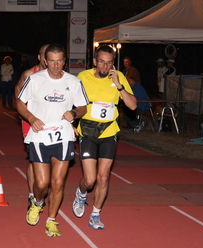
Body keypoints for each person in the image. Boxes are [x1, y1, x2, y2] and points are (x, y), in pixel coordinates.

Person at [17, 44, 88, 237]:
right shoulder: (34, 79)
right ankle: (37, 202)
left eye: (59, 61)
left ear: (64, 61)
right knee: (41, 183)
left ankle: (52, 220)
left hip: (63, 136)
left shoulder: (73, 82)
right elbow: (20, 103)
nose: (56, 65)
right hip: (40, 135)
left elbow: (83, 106)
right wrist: (31, 119)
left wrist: (74, 113)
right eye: (52, 61)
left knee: (57, 183)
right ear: (44, 61)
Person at [73, 45, 137, 230]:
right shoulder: (83, 77)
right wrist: (71, 124)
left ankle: (95, 214)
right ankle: (81, 193)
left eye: (109, 63)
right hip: (87, 131)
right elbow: (71, 102)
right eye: (101, 61)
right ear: (95, 61)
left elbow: (132, 106)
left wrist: (119, 85)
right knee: (90, 180)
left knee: (103, 178)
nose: (105, 66)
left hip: (109, 132)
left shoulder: (118, 77)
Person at [14, 44, 49, 211]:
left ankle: (41, 190)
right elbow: (18, 93)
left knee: (48, 159)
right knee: (34, 158)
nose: (47, 58)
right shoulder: (29, 74)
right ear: (39, 57)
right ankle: (32, 195)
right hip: (31, 121)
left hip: (51, 122)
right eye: (44, 55)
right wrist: (27, 114)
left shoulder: (58, 76)